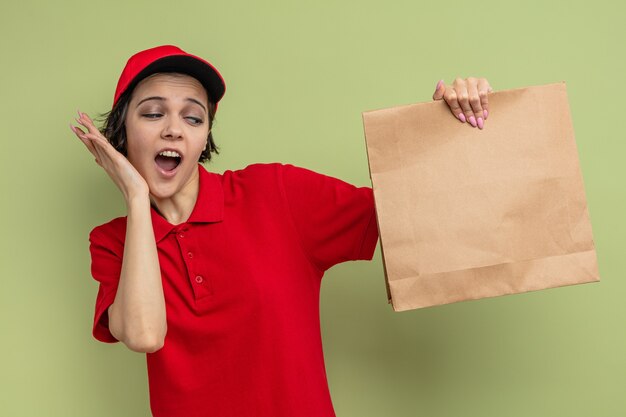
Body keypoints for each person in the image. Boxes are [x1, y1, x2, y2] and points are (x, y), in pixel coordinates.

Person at [69, 44, 492, 417]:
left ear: (204, 137)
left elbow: (411, 207)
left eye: (193, 118)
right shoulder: (111, 242)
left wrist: (449, 124)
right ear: (121, 132)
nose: (174, 129)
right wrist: (137, 198)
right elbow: (144, 334)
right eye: (153, 113)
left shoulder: (275, 193)